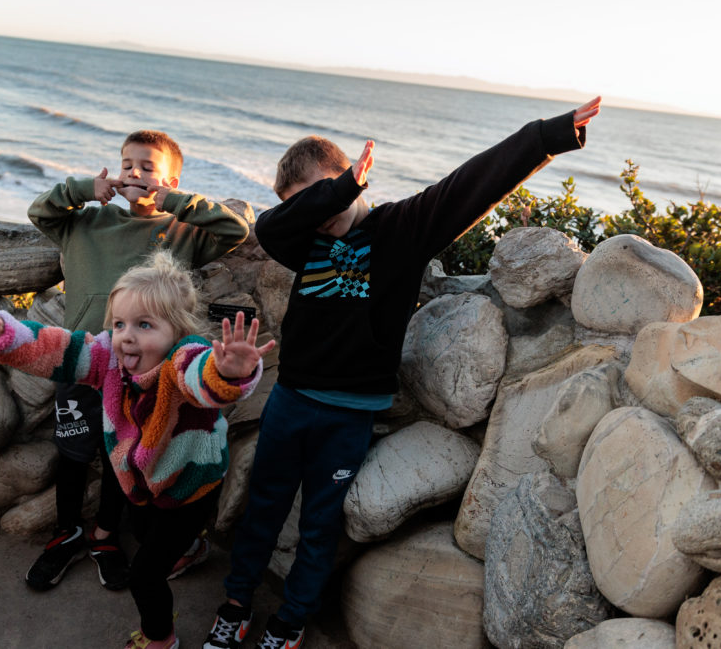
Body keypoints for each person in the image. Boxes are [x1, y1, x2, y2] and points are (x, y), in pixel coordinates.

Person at [203, 97, 602, 649]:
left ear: (352, 177)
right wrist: (335, 191)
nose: (322, 215)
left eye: (329, 193)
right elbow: (272, 225)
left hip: (351, 414)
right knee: (263, 509)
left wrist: (546, 136)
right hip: (291, 400)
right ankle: (235, 604)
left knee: (320, 525)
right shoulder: (304, 239)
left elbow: (469, 185)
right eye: (313, 204)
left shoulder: (401, 230)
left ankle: (290, 621)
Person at [0, 251, 275, 649]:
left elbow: (204, 379)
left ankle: (160, 638)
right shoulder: (109, 357)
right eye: (120, 323)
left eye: (144, 325)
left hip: (190, 485)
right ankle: (193, 548)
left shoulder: (183, 360)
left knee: (145, 575)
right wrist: (3, 335)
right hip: (142, 479)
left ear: (177, 331)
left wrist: (231, 372)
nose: (127, 334)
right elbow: (57, 350)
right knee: (144, 531)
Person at [26, 130, 249, 593]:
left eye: (148, 167)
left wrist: (178, 202)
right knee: (71, 453)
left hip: (141, 375)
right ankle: (66, 533)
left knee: (118, 456)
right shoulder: (85, 223)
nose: (135, 173)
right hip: (82, 360)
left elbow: (235, 230)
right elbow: (40, 211)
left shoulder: (182, 234)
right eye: (127, 164)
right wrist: (87, 190)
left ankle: (105, 537)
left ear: (170, 179)